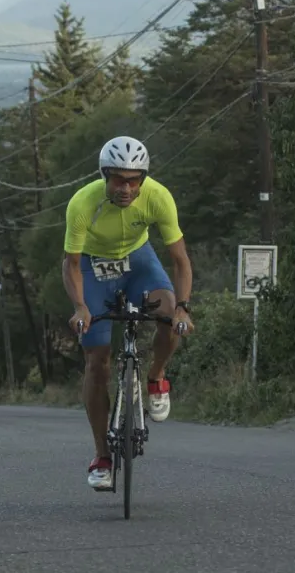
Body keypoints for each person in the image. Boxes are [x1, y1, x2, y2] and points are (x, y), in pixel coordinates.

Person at [62, 135, 195, 491]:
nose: (126, 187)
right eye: (118, 179)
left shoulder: (158, 197)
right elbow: (71, 263)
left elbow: (180, 260)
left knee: (167, 313)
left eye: (134, 180)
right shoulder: (82, 203)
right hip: (93, 267)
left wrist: (183, 308)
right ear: (105, 175)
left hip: (138, 261)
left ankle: (155, 376)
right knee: (97, 360)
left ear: (143, 179)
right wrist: (80, 307)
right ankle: (102, 456)